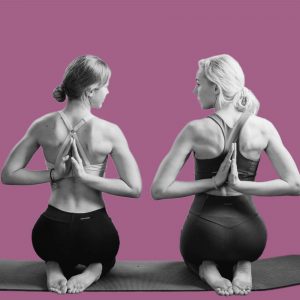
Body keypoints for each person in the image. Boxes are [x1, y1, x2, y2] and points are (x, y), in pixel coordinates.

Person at [151, 54, 300, 296]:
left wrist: (212, 182)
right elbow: (295, 184)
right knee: (243, 252)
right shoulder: (263, 127)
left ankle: (205, 267)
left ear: (216, 88)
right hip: (250, 236)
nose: (194, 90)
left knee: (195, 255)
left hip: (203, 234)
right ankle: (243, 263)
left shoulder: (195, 130)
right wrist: (242, 186)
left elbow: (159, 190)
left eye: (199, 83)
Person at [1, 55, 142, 294]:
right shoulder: (110, 131)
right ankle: (95, 269)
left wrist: (54, 174)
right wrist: (87, 177)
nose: (107, 92)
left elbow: (8, 174)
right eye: (105, 86)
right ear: (90, 91)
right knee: (106, 256)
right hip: (95, 233)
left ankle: (54, 265)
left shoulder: (42, 125)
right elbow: (134, 188)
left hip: (50, 232)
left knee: (54, 252)